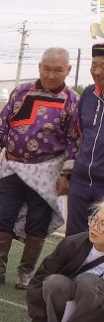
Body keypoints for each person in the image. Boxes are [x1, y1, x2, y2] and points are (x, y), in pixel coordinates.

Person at [0, 48, 80, 290]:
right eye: (47, 68)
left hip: (47, 172)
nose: (51, 75)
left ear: (68, 70)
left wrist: (67, 175)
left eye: (58, 70)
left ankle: (25, 274)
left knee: (37, 223)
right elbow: (3, 123)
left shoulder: (72, 102)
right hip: (13, 167)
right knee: (3, 218)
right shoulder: (22, 92)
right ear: (39, 67)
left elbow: (73, 141)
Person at [25, 199, 104, 322]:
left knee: (88, 282)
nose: (94, 227)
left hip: (99, 315)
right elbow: (39, 280)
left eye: (103, 224)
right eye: (94, 219)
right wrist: (39, 321)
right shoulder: (72, 244)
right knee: (54, 282)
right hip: (71, 303)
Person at [66, 43, 104, 236]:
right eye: (93, 65)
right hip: (80, 181)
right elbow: (79, 134)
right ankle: (74, 268)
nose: (96, 72)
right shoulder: (88, 95)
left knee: (101, 239)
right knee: (74, 236)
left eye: (103, 67)